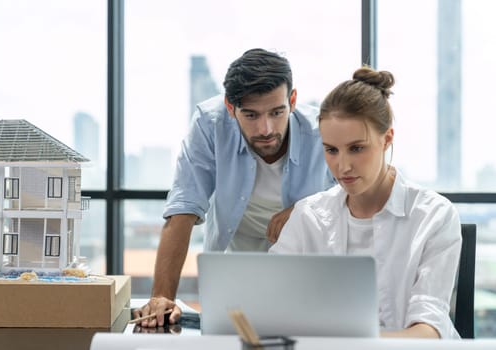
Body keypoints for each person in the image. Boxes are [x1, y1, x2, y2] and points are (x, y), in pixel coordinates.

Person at [134, 48, 335, 327]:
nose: (266, 129)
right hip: (236, 268)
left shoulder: (321, 132)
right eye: (251, 115)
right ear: (231, 107)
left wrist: (305, 210)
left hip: (308, 271)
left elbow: (355, 197)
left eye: (277, 112)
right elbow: (183, 208)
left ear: (293, 100)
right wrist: (161, 297)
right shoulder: (209, 124)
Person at [270, 66, 462, 339]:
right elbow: (270, 304)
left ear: (387, 140)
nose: (343, 166)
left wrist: (346, 344)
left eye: (357, 148)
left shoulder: (434, 215)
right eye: (331, 150)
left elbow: (428, 332)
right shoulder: (308, 215)